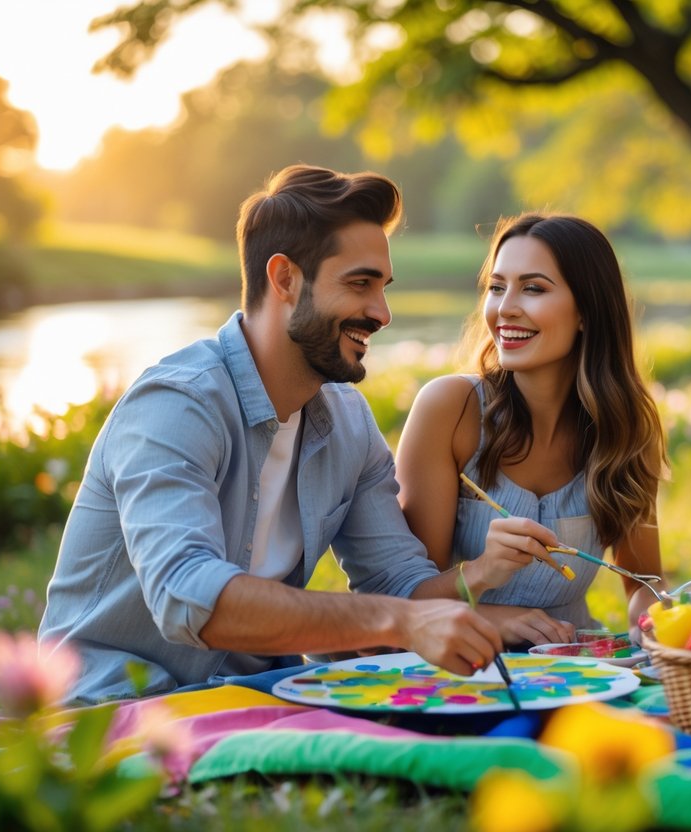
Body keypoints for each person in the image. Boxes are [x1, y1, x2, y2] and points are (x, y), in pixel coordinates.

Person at [39, 165, 537, 704]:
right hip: (109, 708)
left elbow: (400, 586)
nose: (382, 313)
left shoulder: (348, 423)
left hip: (254, 696)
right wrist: (399, 621)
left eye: (383, 288)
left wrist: (480, 582)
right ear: (284, 279)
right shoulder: (177, 404)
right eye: (359, 283)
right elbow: (188, 597)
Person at [395, 213, 667, 641]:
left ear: (586, 312)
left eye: (534, 288)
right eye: (497, 287)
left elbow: (644, 584)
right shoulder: (450, 410)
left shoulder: (625, 430)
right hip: (460, 672)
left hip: (575, 669)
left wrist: (658, 619)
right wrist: (491, 613)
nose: (505, 308)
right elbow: (405, 594)